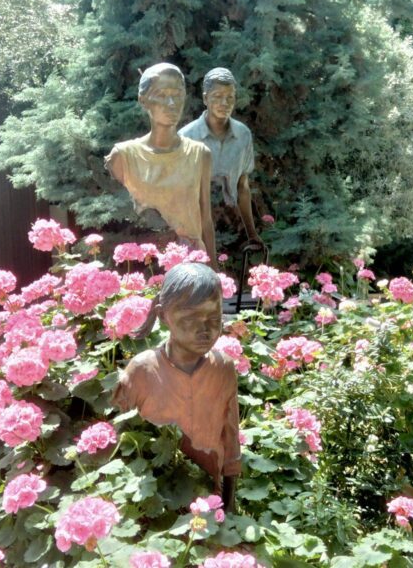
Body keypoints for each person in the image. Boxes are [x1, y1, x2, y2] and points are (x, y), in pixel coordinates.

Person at [111, 263, 241, 511]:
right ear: (162, 315)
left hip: (209, 506)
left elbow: (230, 438)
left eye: (214, 318)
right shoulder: (140, 372)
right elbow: (119, 444)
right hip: (152, 506)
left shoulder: (223, 368)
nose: (205, 329)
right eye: (190, 318)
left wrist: (230, 505)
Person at [105, 63, 218, 269]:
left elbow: (205, 219)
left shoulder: (199, 154)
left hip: (191, 268)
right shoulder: (123, 156)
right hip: (145, 265)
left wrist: (214, 276)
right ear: (143, 100)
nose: (171, 102)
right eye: (161, 94)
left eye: (177, 94)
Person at [179, 67, 263, 250]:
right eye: (217, 96)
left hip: (233, 229)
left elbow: (242, 186)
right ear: (205, 98)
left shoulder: (243, 135)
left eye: (230, 97)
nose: (224, 103)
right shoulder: (186, 137)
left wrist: (252, 234)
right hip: (196, 231)